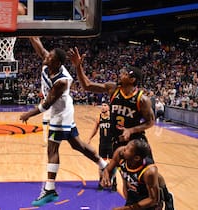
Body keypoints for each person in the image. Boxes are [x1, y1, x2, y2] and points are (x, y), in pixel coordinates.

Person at [68, 47, 174, 210]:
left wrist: (131, 130)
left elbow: (150, 122)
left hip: (136, 142)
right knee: (126, 176)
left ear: (132, 80)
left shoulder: (142, 99)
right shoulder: (113, 89)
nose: (120, 74)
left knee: (150, 172)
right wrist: (78, 66)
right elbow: (87, 85)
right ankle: (131, 202)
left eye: (125, 73)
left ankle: (165, 196)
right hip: (117, 141)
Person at [20, 37, 108, 207]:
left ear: (58, 62)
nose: (46, 57)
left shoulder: (62, 81)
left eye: (50, 56)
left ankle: (50, 189)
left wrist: (28, 115)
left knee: (53, 148)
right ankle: (104, 165)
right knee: (77, 145)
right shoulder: (49, 63)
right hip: (62, 111)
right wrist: (27, 27)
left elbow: (46, 104)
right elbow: (40, 48)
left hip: (60, 114)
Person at [101, 139, 163, 210]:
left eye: (127, 149)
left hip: (148, 202)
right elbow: (108, 169)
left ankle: (167, 197)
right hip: (133, 194)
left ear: (136, 158)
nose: (124, 149)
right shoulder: (120, 154)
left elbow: (153, 200)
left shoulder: (149, 171)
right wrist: (106, 178)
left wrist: (125, 209)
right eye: (126, 146)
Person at [87, 102, 116, 191]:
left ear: (109, 108)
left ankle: (114, 182)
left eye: (105, 105)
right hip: (102, 144)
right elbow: (95, 129)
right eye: (102, 105)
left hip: (111, 145)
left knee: (112, 165)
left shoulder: (113, 118)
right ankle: (101, 182)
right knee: (101, 165)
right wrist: (89, 138)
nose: (102, 107)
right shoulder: (99, 118)